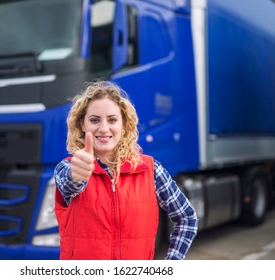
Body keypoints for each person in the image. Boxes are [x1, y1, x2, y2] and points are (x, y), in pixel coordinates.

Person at [54, 80, 198, 260]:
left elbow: (187, 218)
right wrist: (78, 175)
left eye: (112, 120)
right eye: (94, 120)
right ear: (82, 124)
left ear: (123, 125)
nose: (104, 128)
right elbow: (70, 183)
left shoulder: (151, 170)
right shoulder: (67, 168)